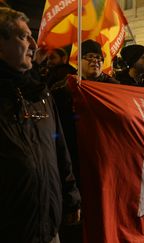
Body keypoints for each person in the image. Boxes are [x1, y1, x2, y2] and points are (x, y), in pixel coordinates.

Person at [0, 7, 81, 242]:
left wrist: (70, 196)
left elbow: (59, 149)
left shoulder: (41, 95)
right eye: (24, 36)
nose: (35, 45)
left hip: (49, 228)